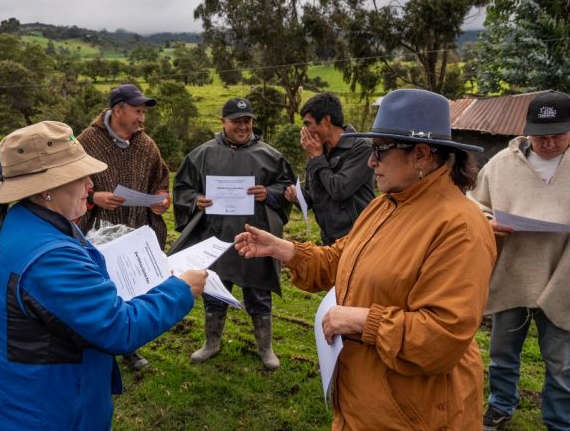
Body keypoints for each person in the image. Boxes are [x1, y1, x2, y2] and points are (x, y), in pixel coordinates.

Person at [235, 89, 497, 429]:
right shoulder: (385, 204)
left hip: (417, 412)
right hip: (366, 401)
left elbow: (442, 338)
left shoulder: (459, 227)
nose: (371, 161)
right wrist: (284, 249)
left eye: (380, 150)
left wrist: (361, 321)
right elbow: (343, 258)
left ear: (421, 154)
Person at [0, 121, 206, 431]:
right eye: (79, 176)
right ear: (47, 188)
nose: (91, 184)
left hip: (20, 398)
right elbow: (119, 328)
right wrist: (180, 290)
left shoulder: (22, 220)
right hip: (47, 413)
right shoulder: (50, 257)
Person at [467, 90, 570, 431]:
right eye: (542, 136)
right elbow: (473, 206)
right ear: (527, 131)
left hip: (563, 278)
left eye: (558, 135)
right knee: (502, 353)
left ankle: (558, 421)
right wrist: (488, 223)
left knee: (561, 363)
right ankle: (499, 407)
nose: (550, 143)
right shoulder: (501, 164)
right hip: (512, 272)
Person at [173, 97, 295, 370]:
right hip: (215, 237)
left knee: (259, 292)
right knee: (215, 291)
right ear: (223, 122)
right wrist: (196, 200)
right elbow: (182, 187)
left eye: (247, 121)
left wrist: (269, 193)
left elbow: (286, 187)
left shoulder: (270, 156)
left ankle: (266, 348)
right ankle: (211, 343)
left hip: (255, 237)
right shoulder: (201, 155)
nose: (243, 126)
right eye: (237, 121)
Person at [77, 84, 169, 370]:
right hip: (96, 232)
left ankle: (130, 345)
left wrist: (162, 200)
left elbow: (161, 179)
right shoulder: (86, 142)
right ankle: (96, 347)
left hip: (136, 229)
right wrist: (94, 197)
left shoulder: (146, 144)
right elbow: (69, 185)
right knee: (99, 290)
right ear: (118, 110)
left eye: (143, 112)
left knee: (133, 289)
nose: (142, 118)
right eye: (137, 111)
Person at [284, 93, 374, 244]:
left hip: (358, 239)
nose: (305, 131)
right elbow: (314, 200)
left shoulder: (361, 147)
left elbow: (340, 189)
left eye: (308, 124)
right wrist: (297, 197)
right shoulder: (318, 151)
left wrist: (317, 158)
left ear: (326, 120)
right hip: (329, 240)